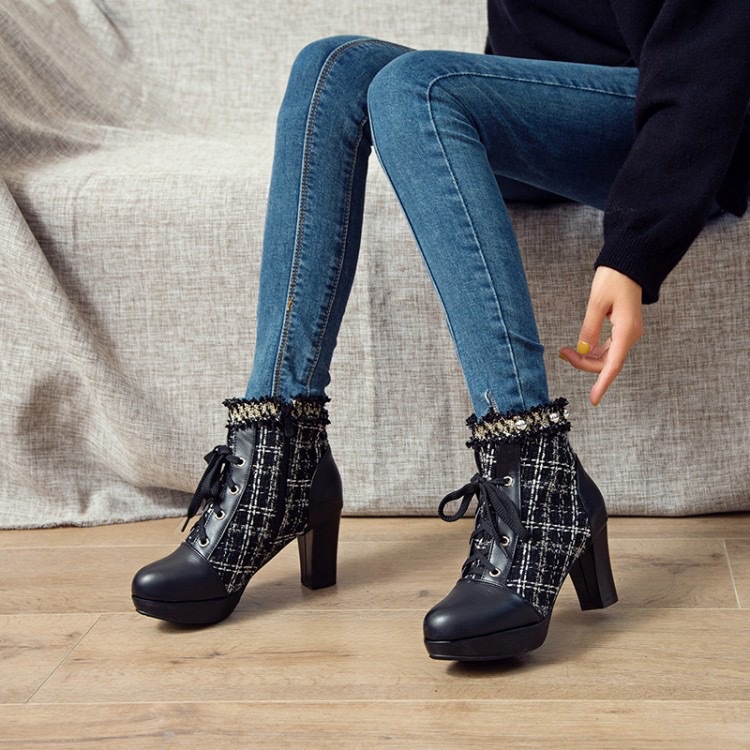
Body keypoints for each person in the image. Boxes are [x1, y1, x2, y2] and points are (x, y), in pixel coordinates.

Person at [131, 1, 750, 661]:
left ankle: (536, 480)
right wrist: (495, 102)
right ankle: (280, 466)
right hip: (551, 110)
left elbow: (712, 66)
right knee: (331, 67)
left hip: (682, 117)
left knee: (415, 87)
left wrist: (635, 250)